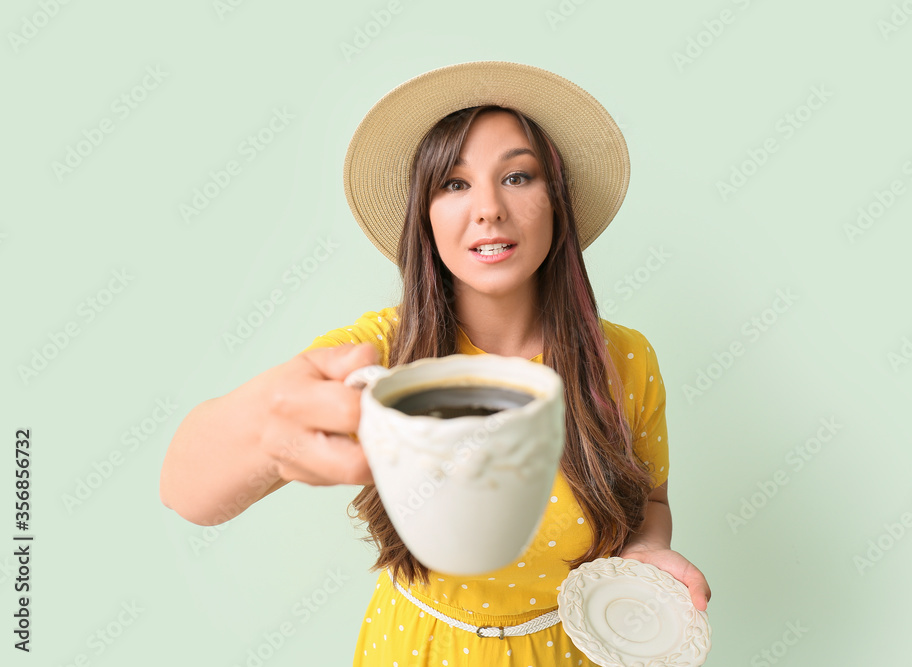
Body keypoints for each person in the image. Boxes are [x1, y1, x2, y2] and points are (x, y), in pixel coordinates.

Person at [160, 60, 711, 666]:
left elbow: (650, 506)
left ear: (559, 203)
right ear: (424, 214)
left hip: (576, 650)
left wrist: (643, 561)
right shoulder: (378, 354)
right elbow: (186, 490)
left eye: (519, 177)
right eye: (454, 184)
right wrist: (269, 433)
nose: (489, 209)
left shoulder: (625, 358)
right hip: (417, 648)